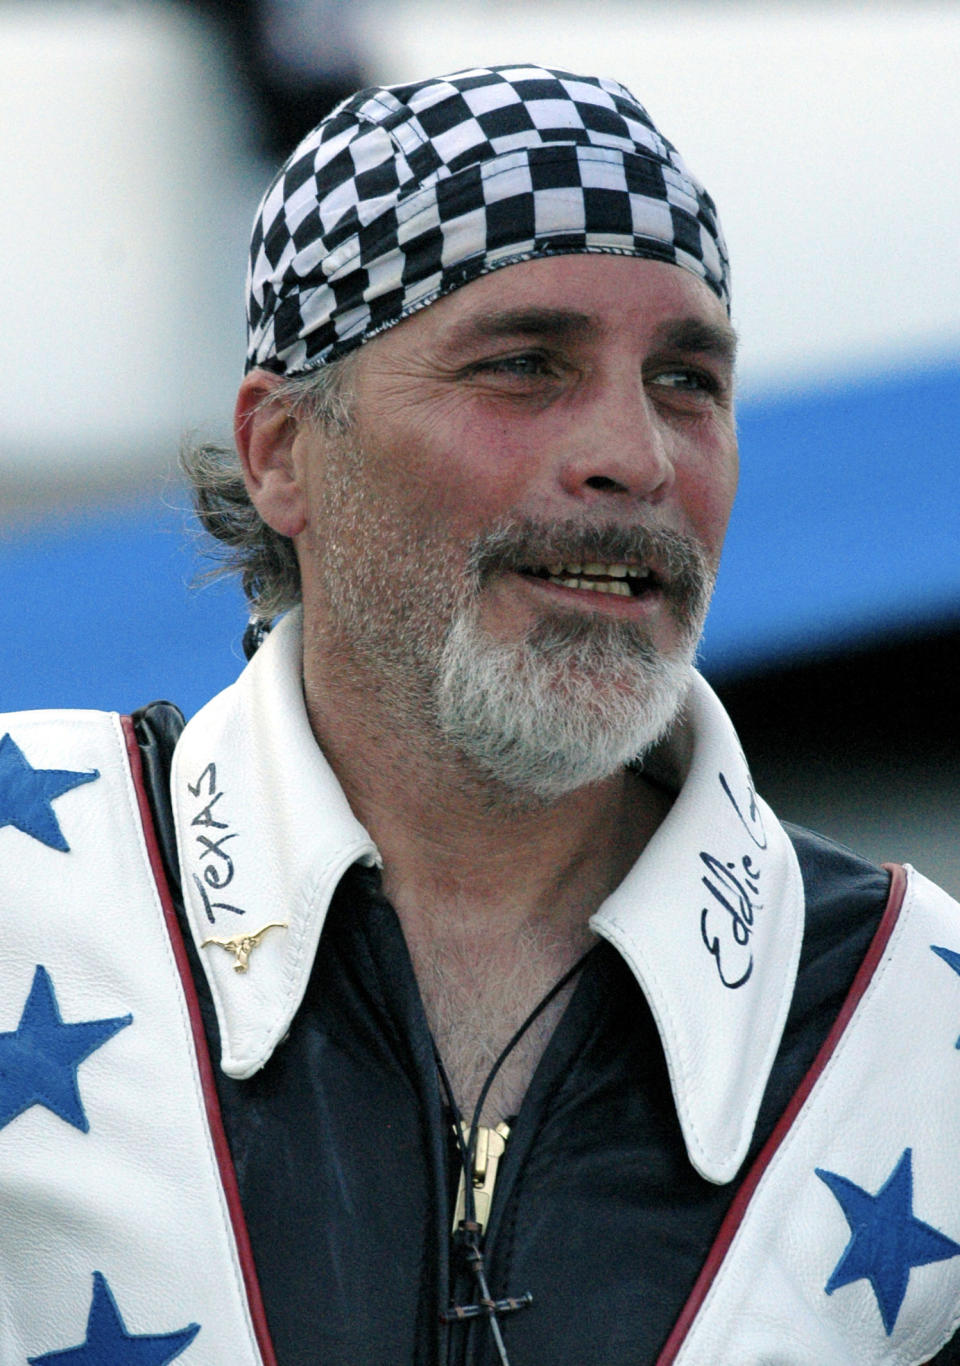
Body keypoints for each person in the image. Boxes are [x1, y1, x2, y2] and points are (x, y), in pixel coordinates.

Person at [2, 63, 959, 1366]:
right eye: (524, 366)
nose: (636, 452)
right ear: (286, 451)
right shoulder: (33, 890)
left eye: (688, 380)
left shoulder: (916, 1020)